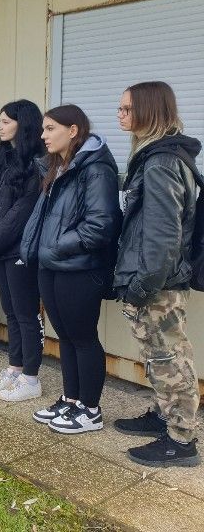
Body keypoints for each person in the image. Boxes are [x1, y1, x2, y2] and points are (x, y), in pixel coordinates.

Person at [113, 81, 200, 467]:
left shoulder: (162, 162)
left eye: (127, 109)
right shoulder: (154, 155)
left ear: (149, 110)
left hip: (157, 284)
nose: (120, 114)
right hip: (154, 280)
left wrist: (140, 286)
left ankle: (181, 441)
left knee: (169, 357)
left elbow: (164, 236)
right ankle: (165, 415)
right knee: (158, 355)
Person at [21, 104, 121, 435]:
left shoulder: (96, 169)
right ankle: (71, 400)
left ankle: (90, 410)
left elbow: (101, 225)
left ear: (73, 130)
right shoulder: (59, 167)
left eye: (50, 128)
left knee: (82, 337)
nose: (43, 135)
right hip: (52, 265)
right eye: (43, 129)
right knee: (64, 336)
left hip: (79, 268)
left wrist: (57, 245)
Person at [0, 100, 46, 401]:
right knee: (11, 313)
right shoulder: (2, 157)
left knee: (26, 315)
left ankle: (31, 378)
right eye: (0, 121)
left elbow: (22, 211)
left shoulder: (37, 163)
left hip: (20, 251)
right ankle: (15, 369)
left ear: (23, 124)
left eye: (6, 121)